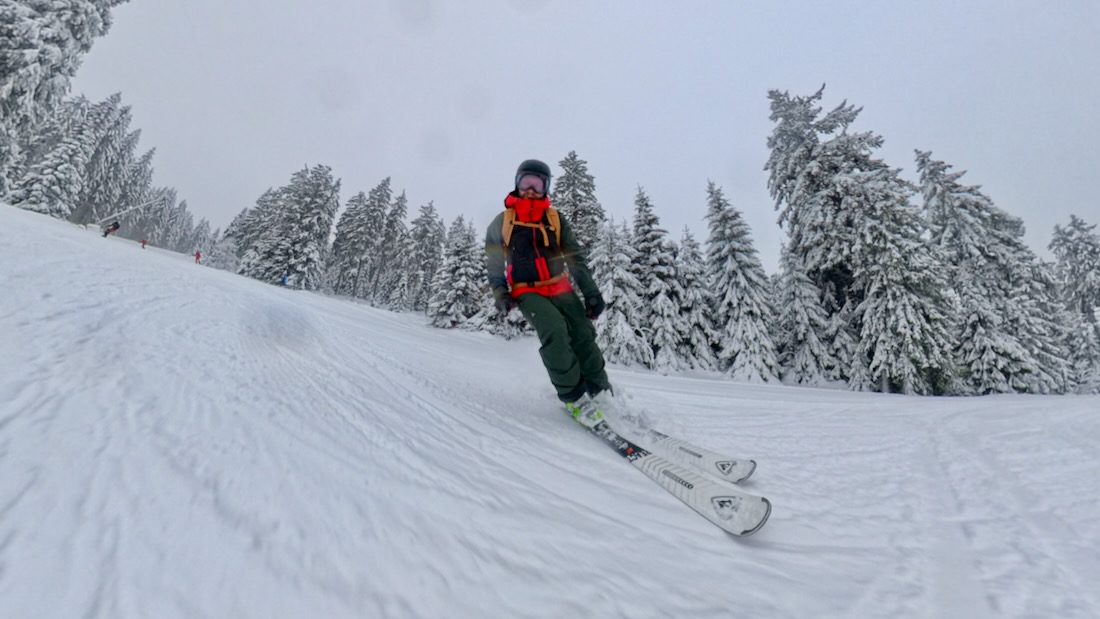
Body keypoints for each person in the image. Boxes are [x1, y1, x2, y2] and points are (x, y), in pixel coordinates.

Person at [485, 159, 611, 427]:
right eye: (526, 183)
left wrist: (591, 292)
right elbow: (494, 261)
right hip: (527, 290)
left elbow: (574, 256)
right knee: (555, 329)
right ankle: (574, 396)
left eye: (537, 184)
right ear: (517, 183)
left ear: (546, 187)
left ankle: (598, 389)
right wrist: (500, 292)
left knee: (582, 332)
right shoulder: (503, 221)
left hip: (559, 284)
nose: (531, 190)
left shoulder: (554, 218)